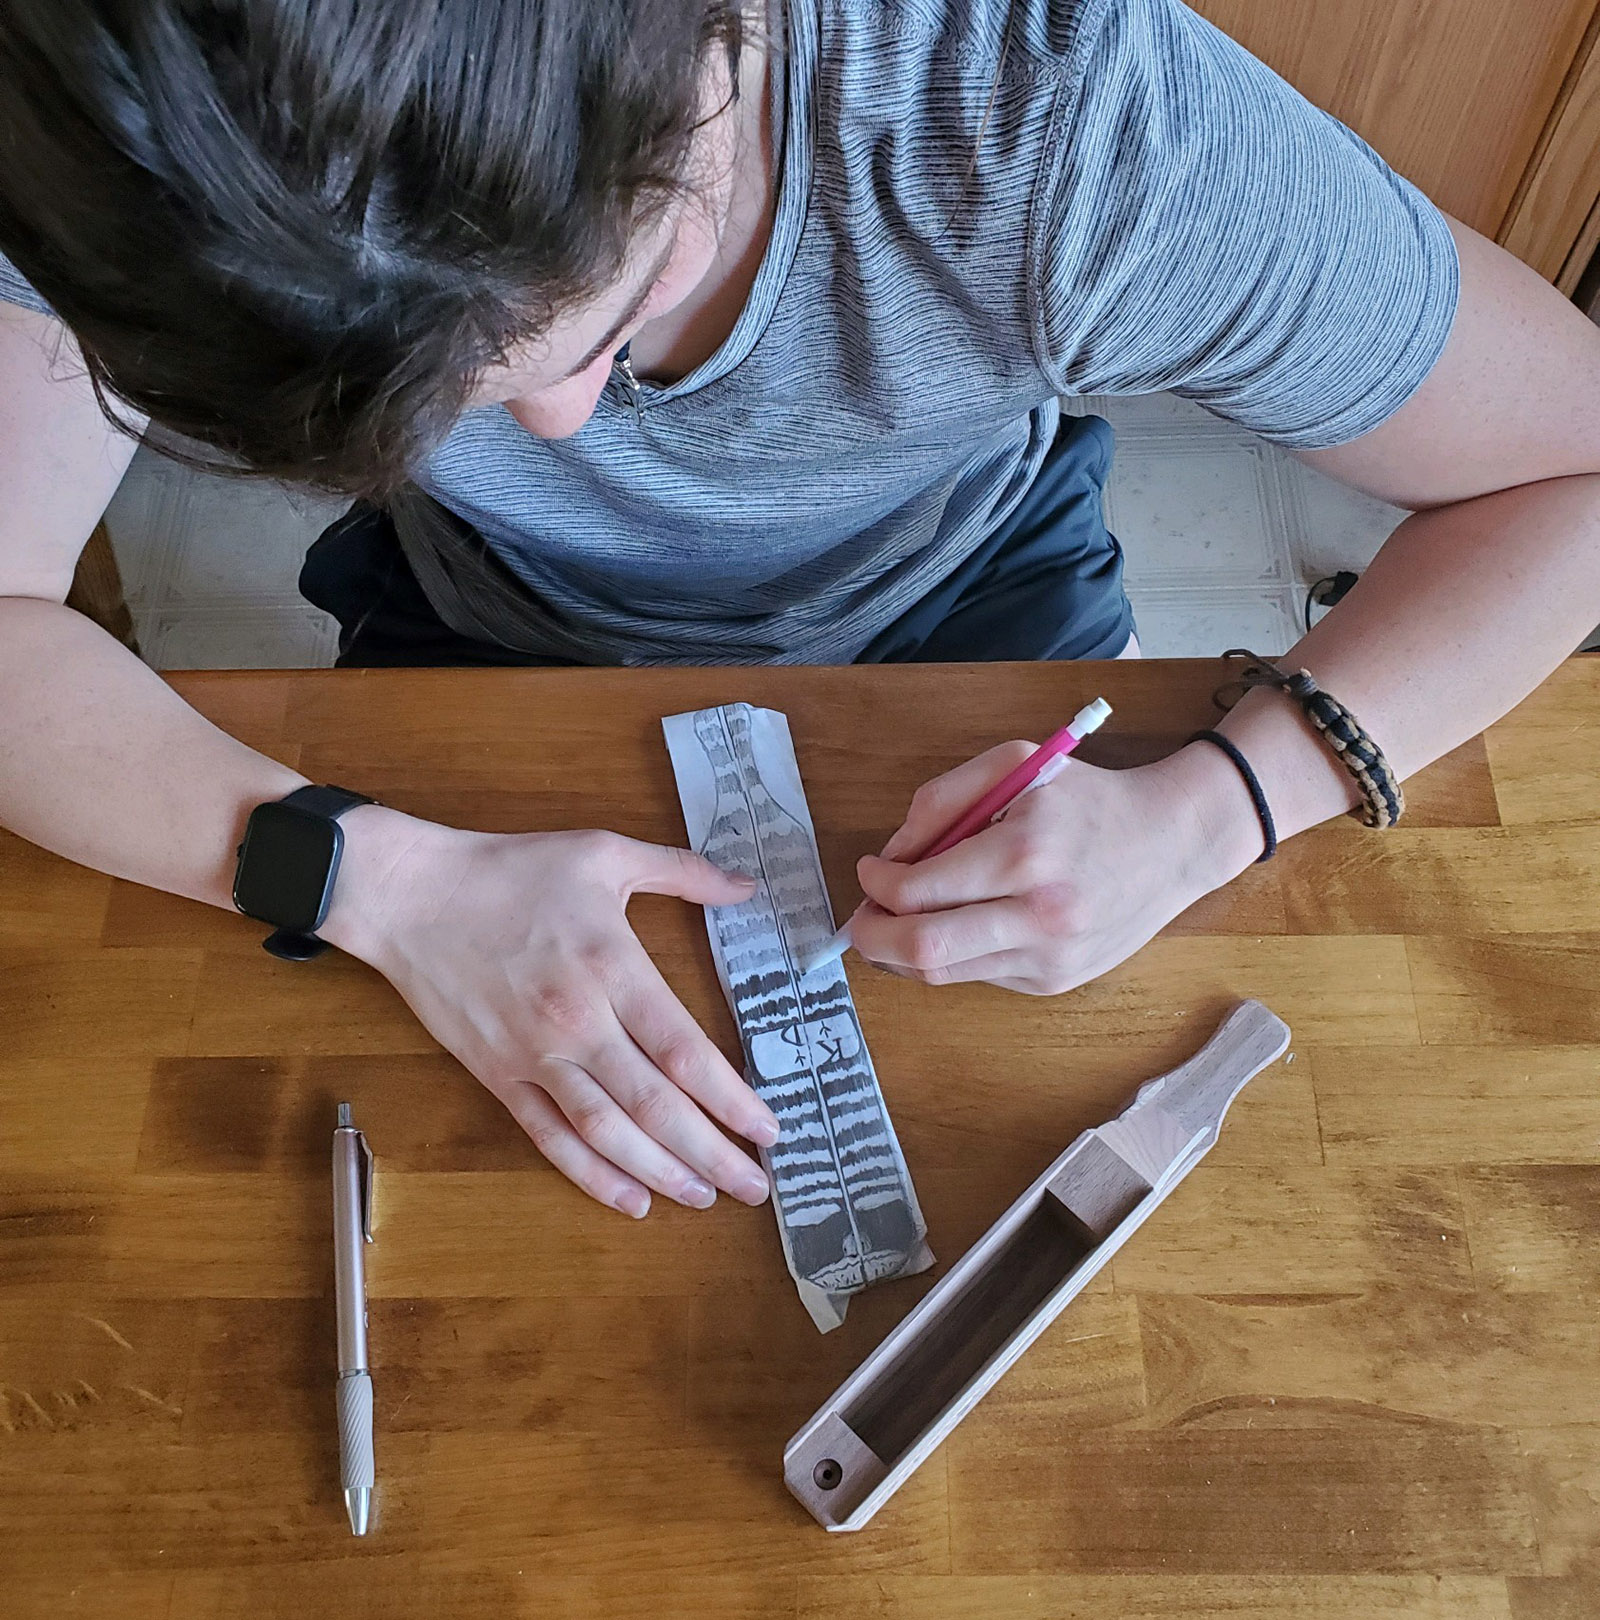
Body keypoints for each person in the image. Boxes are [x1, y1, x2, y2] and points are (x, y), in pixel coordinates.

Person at [0, 1, 1596, 1223]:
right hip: (475, 631)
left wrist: (1211, 812)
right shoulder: (113, 125)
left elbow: (1573, 475)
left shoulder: (1061, 114)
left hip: (961, 601)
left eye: (613, 322)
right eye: (445, 409)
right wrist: (378, 882)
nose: (568, 437)